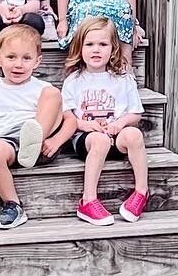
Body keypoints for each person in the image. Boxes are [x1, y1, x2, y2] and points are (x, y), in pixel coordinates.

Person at [0, 22, 67, 231]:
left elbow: (70, 119)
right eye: (11, 57)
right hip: (9, 143)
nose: (18, 64)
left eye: (26, 58)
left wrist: (55, 140)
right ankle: (13, 205)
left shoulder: (42, 88)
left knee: (53, 95)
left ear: (37, 62)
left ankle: (34, 138)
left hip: (43, 142)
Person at [61, 15, 149, 225]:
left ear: (113, 49)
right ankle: (88, 200)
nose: (96, 50)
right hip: (85, 139)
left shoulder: (122, 79)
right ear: (80, 48)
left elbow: (135, 114)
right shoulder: (73, 80)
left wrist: (119, 124)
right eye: (89, 44)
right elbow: (66, 116)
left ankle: (141, 192)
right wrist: (84, 125)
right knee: (99, 141)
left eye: (103, 44)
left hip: (115, 136)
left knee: (134, 134)